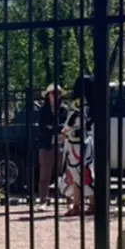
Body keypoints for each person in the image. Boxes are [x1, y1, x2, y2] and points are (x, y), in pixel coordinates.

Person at [58, 76, 95, 217]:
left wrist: (64, 131)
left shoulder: (77, 103)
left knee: (75, 173)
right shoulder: (93, 103)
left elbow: (70, 122)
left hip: (75, 142)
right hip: (88, 140)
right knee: (87, 172)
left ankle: (76, 205)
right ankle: (92, 203)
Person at [37, 86, 59, 205]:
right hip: (46, 144)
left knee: (66, 174)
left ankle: (70, 201)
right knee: (45, 173)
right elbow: (42, 127)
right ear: (48, 95)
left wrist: (52, 128)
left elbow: (65, 125)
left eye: (58, 93)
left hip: (61, 144)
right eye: (53, 93)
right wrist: (55, 129)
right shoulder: (43, 110)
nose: (56, 95)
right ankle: (43, 200)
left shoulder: (63, 109)